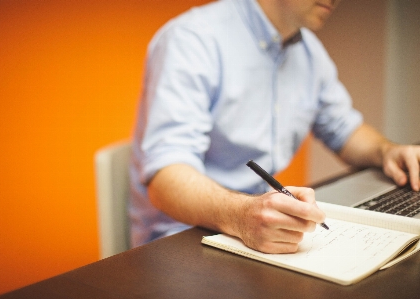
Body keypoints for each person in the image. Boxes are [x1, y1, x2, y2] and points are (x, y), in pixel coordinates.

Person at [129, 0, 420, 253]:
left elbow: (343, 128)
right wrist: (242, 216)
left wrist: (386, 151)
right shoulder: (192, 39)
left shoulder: (309, 52)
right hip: (181, 241)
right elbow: (165, 179)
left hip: (255, 228)